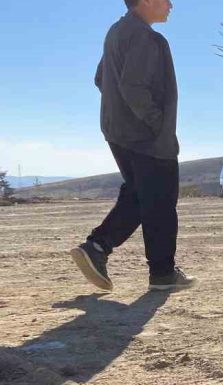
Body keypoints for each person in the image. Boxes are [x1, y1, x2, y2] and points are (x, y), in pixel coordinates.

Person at [70, 0, 195, 292]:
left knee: (140, 195)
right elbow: (132, 86)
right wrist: (156, 122)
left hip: (118, 131)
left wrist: (121, 111)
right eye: (166, 0)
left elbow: (101, 78)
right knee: (161, 201)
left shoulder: (116, 31)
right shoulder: (146, 37)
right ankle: (163, 273)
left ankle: (97, 248)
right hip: (146, 136)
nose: (171, 5)